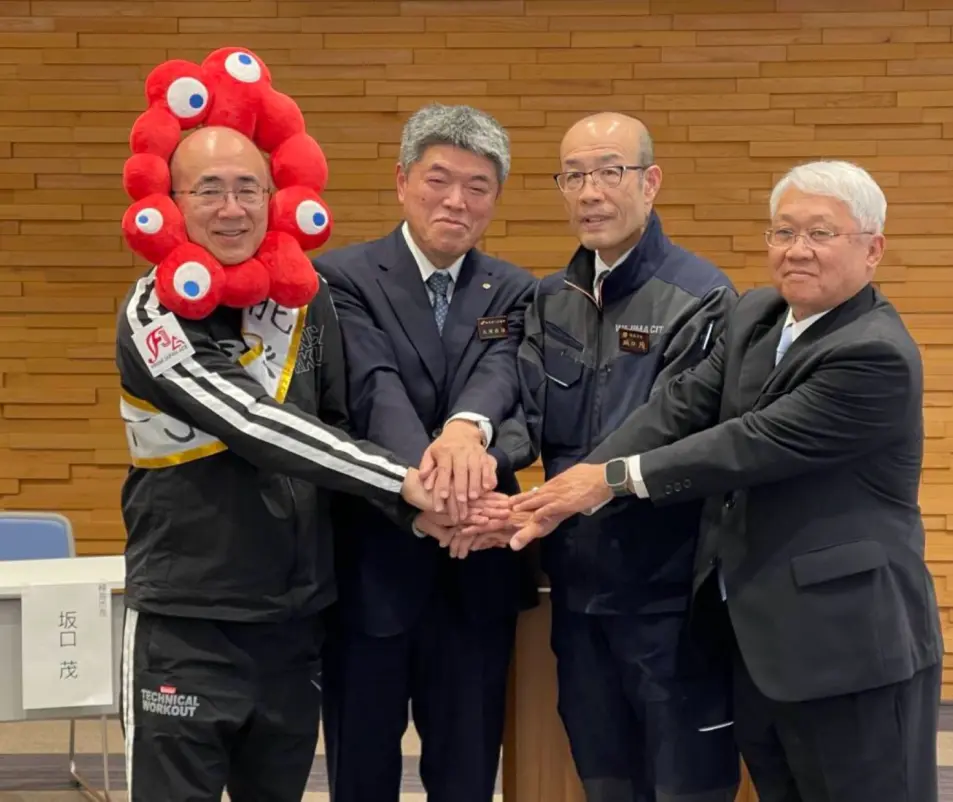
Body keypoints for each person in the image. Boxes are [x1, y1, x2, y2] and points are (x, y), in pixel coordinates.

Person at [113, 52, 506, 802]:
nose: (232, 209)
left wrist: (419, 516)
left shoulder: (304, 301)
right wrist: (410, 484)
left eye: (249, 189)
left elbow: (336, 426)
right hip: (189, 620)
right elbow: (255, 424)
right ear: (172, 201)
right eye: (209, 190)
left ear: (275, 196)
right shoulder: (153, 313)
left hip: (296, 621)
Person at [509, 160, 945, 802]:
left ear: (872, 249)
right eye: (784, 232)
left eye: (821, 233)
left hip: (852, 650)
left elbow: (745, 445)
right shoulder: (759, 315)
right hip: (760, 642)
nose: (797, 249)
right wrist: (576, 482)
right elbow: (679, 406)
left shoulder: (873, 353)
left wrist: (609, 482)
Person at [487, 111, 741, 802]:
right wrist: (480, 462)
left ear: (650, 183)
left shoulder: (702, 297)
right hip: (577, 591)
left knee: (686, 785)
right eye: (573, 176)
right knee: (604, 778)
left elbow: (675, 425)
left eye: (608, 172)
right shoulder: (552, 298)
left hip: (668, 596)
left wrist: (578, 486)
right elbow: (526, 416)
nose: (590, 192)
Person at [313, 103, 538, 802]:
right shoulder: (341, 277)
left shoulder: (518, 291)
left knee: (468, 775)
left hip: (477, 569)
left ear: (495, 198)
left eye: (478, 186)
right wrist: (433, 491)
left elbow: (513, 394)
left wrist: (469, 431)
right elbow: (370, 389)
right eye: (439, 179)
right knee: (361, 774)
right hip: (372, 564)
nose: (456, 201)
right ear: (402, 180)